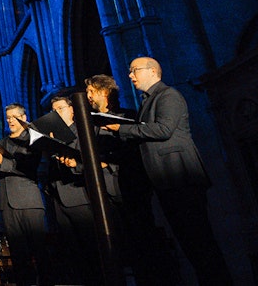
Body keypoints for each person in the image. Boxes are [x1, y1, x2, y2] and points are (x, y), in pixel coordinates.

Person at [103, 57, 233, 285]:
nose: (130, 76)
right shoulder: (148, 100)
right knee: (190, 245)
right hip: (166, 180)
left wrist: (122, 129)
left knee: (201, 243)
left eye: (134, 71)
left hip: (181, 176)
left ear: (153, 71)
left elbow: (163, 129)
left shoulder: (168, 95)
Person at [85, 74, 167, 286]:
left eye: (91, 92)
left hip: (130, 186)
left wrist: (108, 161)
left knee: (142, 240)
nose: (88, 96)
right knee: (116, 245)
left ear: (104, 92)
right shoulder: (90, 124)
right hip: (104, 191)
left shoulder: (127, 115)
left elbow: (135, 150)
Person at [0, 104, 48, 286]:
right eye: (8, 117)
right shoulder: (1, 143)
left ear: (24, 117)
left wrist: (3, 161)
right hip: (7, 203)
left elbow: (30, 168)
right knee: (18, 255)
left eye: (14, 117)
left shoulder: (32, 140)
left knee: (40, 252)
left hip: (29, 201)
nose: (10, 120)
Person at [45, 95, 100, 285]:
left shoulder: (82, 130)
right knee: (72, 251)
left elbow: (95, 161)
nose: (56, 113)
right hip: (59, 197)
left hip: (80, 195)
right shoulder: (51, 134)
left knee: (90, 247)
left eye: (60, 108)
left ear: (72, 110)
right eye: (53, 110)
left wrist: (75, 164)